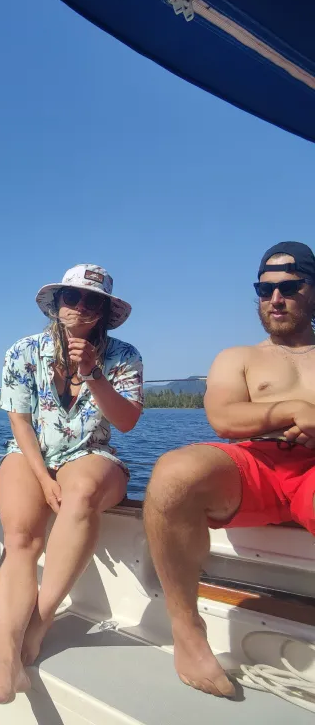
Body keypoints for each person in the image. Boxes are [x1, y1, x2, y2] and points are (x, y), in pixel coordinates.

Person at [144, 241, 315, 699]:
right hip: (256, 464)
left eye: (289, 287)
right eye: (264, 289)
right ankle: (187, 629)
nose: (275, 298)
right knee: (174, 473)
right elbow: (224, 417)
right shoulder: (238, 357)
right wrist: (295, 409)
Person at [0, 264, 144, 705]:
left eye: (94, 300)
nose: (82, 307)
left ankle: (39, 622)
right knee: (21, 538)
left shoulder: (124, 356)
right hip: (32, 452)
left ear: (105, 311)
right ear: (57, 303)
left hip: (91, 452)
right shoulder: (23, 351)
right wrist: (41, 478)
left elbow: (126, 421)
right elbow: (20, 421)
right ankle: (6, 661)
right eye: (73, 297)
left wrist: (93, 373)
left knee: (82, 493)